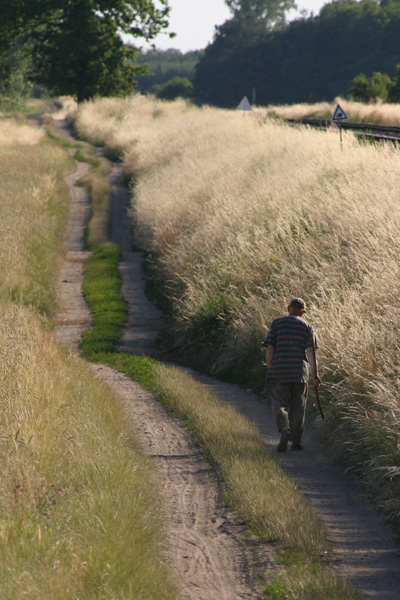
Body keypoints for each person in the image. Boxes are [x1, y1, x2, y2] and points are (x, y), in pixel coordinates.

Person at [262, 298, 321, 452]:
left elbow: (269, 349)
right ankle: (296, 441)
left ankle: (284, 430)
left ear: (288, 308)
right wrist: (315, 376)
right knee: (298, 407)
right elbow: (310, 353)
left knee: (278, 403)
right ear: (303, 312)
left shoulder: (276, 324)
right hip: (299, 373)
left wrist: (270, 367)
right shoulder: (308, 327)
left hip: (279, 371)